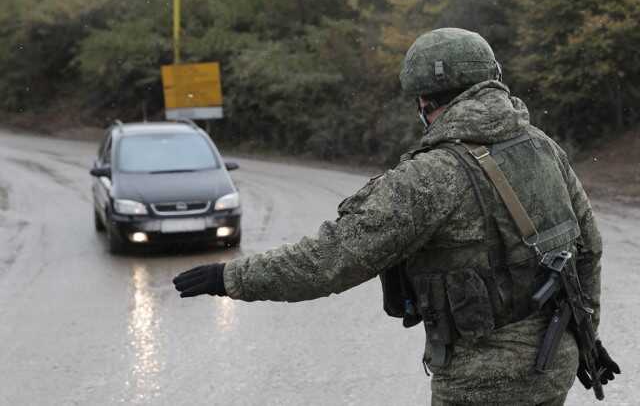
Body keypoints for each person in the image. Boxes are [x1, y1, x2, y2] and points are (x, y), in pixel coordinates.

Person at [173, 28, 618, 405]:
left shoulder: (431, 176)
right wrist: (584, 336)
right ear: (492, 80)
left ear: (425, 101)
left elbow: (329, 260)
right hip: (554, 362)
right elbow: (588, 248)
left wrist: (230, 277)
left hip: (483, 385)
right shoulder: (541, 145)